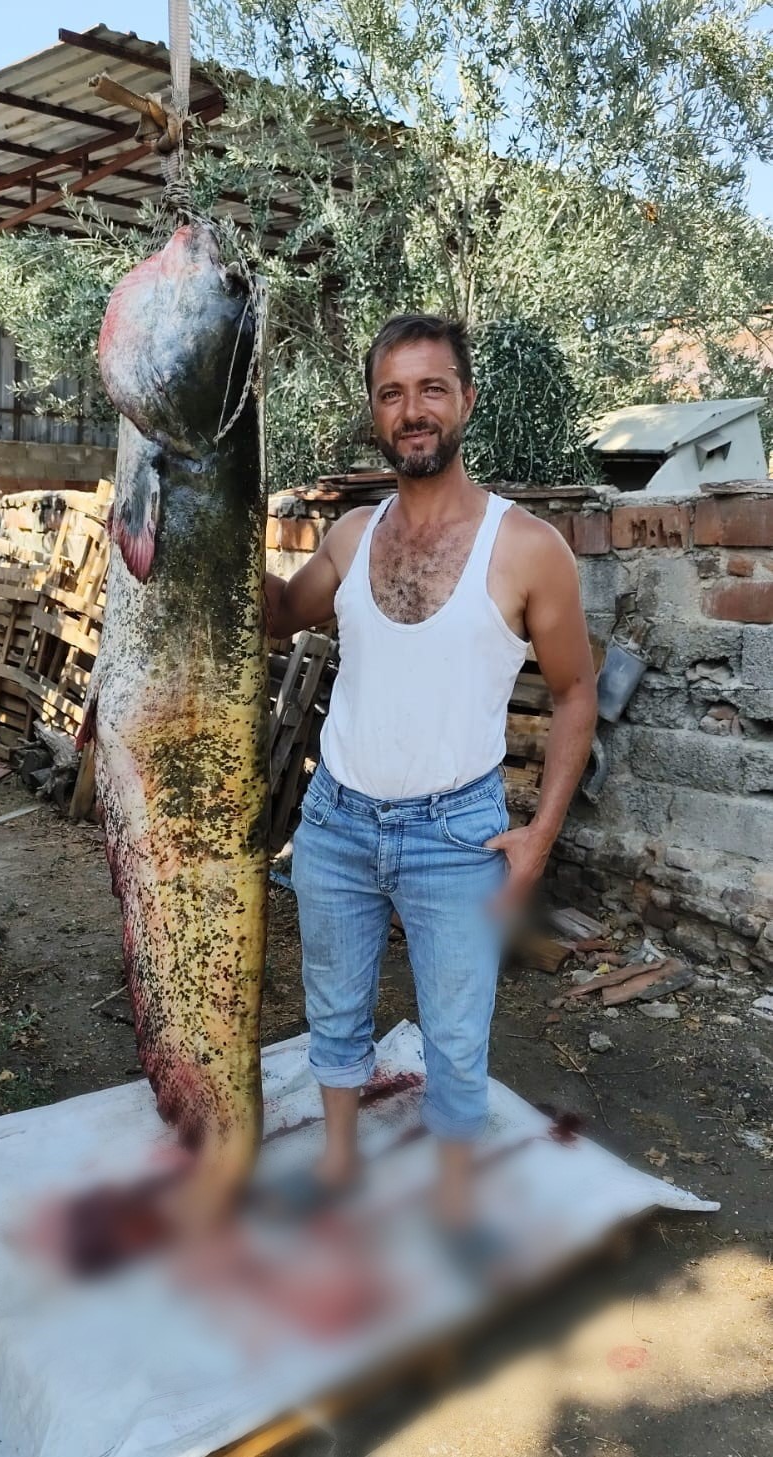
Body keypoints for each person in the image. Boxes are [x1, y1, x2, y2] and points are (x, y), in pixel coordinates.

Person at [264, 314, 597, 1234]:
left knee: (455, 1031)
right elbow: (277, 615)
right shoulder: (348, 535)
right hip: (335, 818)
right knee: (332, 1005)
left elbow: (575, 694)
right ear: (375, 411)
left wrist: (536, 838)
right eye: (391, 393)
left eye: (430, 389)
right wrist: (203, 518)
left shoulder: (527, 546)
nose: (411, 411)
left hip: (457, 832)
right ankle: (338, 1156)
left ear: (465, 402)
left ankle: (451, 1190)